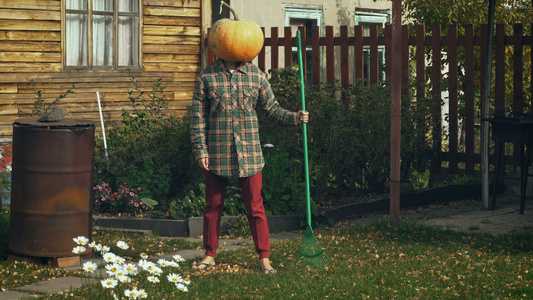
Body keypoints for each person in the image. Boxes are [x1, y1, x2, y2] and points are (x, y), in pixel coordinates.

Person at [190, 59, 309, 274]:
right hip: (217, 151)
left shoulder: (257, 76)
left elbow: (271, 109)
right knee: (213, 206)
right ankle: (209, 255)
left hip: (250, 152)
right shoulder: (206, 77)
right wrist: (201, 150)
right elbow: (198, 118)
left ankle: (264, 258)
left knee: (256, 206)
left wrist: (295, 117)